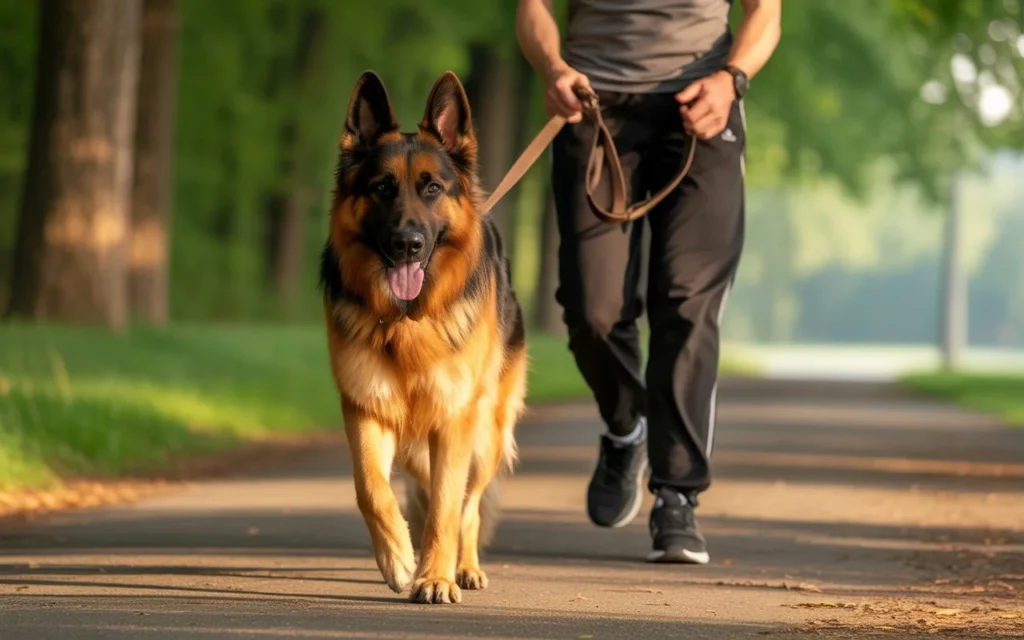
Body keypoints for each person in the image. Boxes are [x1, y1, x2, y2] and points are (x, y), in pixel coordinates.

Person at [514, 0, 781, 564]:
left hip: (701, 105)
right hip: (593, 107)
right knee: (593, 310)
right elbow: (532, 9)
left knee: (687, 301)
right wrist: (553, 67)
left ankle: (677, 495)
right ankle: (623, 427)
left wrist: (732, 80)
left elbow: (766, 13)